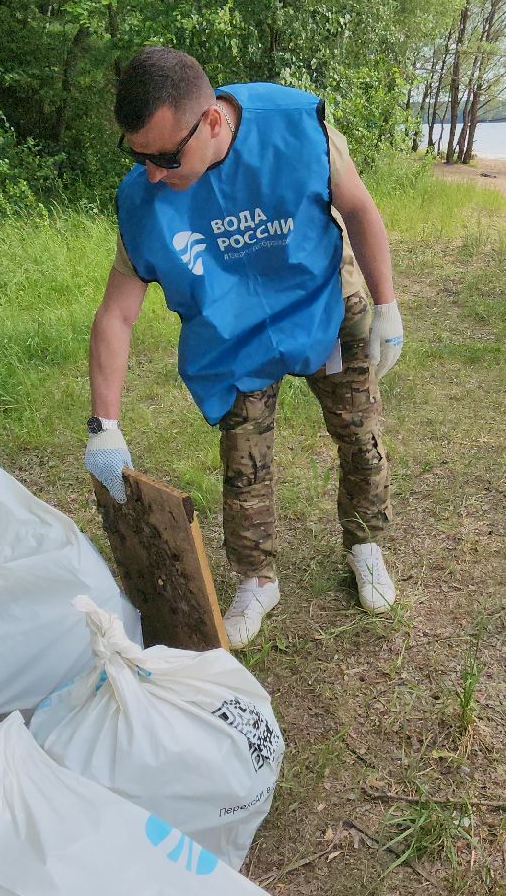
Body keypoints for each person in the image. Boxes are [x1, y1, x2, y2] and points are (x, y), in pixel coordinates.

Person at [86, 46, 406, 647]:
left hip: (323, 303)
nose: (152, 173)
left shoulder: (298, 128)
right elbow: (117, 314)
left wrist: (386, 307)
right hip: (233, 333)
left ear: (210, 122)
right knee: (245, 464)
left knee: (359, 435)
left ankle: (365, 543)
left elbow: (359, 209)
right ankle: (258, 578)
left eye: (164, 157)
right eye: (138, 157)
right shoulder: (144, 197)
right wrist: (104, 422)